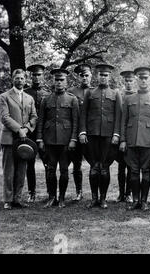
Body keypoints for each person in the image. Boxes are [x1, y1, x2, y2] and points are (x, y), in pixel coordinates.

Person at [79, 63, 122, 209]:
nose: (103, 77)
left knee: (104, 167)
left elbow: (118, 116)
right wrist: (83, 131)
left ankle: (103, 198)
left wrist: (116, 134)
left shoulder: (115, 94)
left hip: (108, 136)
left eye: (106, 75)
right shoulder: (90, 93)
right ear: (97, 76)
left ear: (109, 77)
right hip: (92, 135)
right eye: (101, 75)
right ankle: (94, 198)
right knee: (93, 167)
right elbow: (83, 114)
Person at [36, 68, 79, 208]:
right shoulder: (45, 99)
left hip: (66, 141)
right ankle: (52, 197)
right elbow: (41, 121)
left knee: (64, 171)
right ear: (53, 81)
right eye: (57, 80)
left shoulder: (72, 99)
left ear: (66, 82)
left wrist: (73, 139)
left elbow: (75, 122)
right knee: (50, 170)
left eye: (62, 80)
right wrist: (40, 139)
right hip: (49, 141)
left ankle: (62, 198)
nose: (59, 82)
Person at [120, 67, 150, 211]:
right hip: (131, 141)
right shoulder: (128, 99)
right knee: (134, 171)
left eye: (146, 78)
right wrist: (123, 140)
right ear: (137, 79)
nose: (143, 81)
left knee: (146, 171)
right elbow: (123, 121)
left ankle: (144, 201)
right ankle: (135, 200)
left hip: (149, 142)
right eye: (141, 78)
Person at [0, 69, 38, 209]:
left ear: (25, 80)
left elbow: (34, 116)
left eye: (22, 78)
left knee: (21, 169)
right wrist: (19, 129)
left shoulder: (29, 98)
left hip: (23, 139)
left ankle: (18, 198)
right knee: (9, 170)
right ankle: (8, 200)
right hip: (9, 137)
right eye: (17, 78)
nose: (19, 81)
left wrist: (26, 129)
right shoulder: (4, 96)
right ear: (12, 80)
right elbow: (5, 117)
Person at [24, 64, 50, 202]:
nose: (36, 77)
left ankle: (50, 191)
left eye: (39, 74)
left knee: (47, 162)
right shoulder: (25, 93)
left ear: (43, 76)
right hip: (30, 132)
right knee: (30, 162)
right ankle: (31, 192)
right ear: (30, 76)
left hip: (44, 133)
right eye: (34, 74)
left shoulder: (48, 93)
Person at [67, 64, 93, 201]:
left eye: (86, 75)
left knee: (94, 163)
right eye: (81, 75)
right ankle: (79, 191)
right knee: (76, 163)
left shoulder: (95, 91)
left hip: (91, 133)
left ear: (91, 76)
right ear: (78, 77)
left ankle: (96, 193)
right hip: (76, 132)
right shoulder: (71, 92)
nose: (84, 77)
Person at [115, 70, 136, 203]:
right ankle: (121, 193)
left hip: (132, 135)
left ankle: (129, 193)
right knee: (121, 166)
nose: (128, 83)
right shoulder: (119, 95)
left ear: (134, 81)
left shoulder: (136, 96)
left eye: (131, 81)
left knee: (130, 166)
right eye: (126, 81)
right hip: (120, 134)